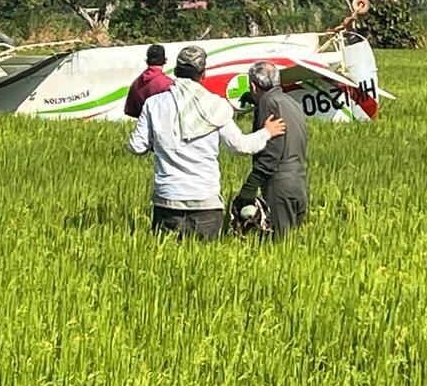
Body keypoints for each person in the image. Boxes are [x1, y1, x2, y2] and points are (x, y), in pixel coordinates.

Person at [127, 45, 285, 240]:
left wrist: (160, 142)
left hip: (168, 200)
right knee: (204, 261)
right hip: (206, 201)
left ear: (176, 71)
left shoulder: (154, 104)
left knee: (167, 264)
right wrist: (266, 133)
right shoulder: (216, 105)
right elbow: (240, 147)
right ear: (203, 74)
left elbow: (136, 146)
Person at [233, 61, 308, 238]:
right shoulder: (291, 102)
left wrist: (250, 187)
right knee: (289, 250)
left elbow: (272, 152)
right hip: (298, 183)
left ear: (252, 85)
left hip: (279, 185)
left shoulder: (268, 104)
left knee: (277, 247)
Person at [123, 43, 174, 119]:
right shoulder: (169, 84)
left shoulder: (136, 83)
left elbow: (130, 111)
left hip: (143, 128)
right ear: (165, 60)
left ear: (147, 61)